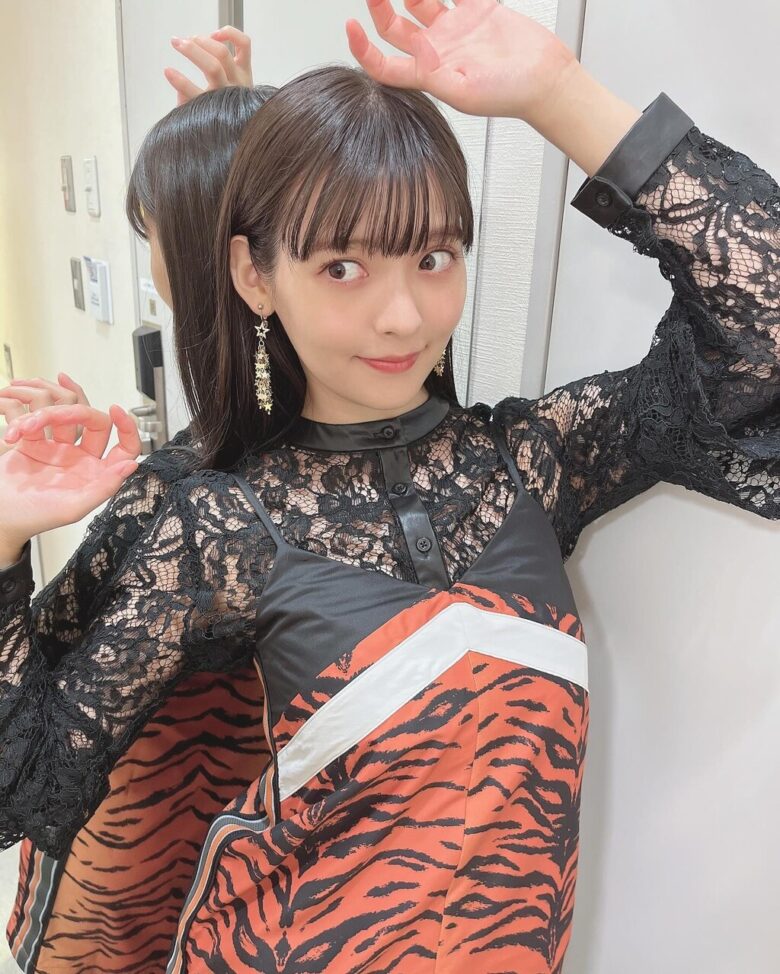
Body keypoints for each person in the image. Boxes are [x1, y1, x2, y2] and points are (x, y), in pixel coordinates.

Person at [1, 2, 778, 971]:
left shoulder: (528, 462)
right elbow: (27, 788)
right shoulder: (218, 523)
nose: (403, 314)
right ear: (254, 275)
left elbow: (763, 331)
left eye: (432, 256)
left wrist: (557, 92)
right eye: (343, 266)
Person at [2, 66, 276, 974]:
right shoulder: (345, 458)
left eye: (155, 233)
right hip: (229, 885)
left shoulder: (186, 505)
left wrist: (5, 534)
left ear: (206, 259)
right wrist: (238, 133)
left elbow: (18, 766)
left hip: (121, 897)